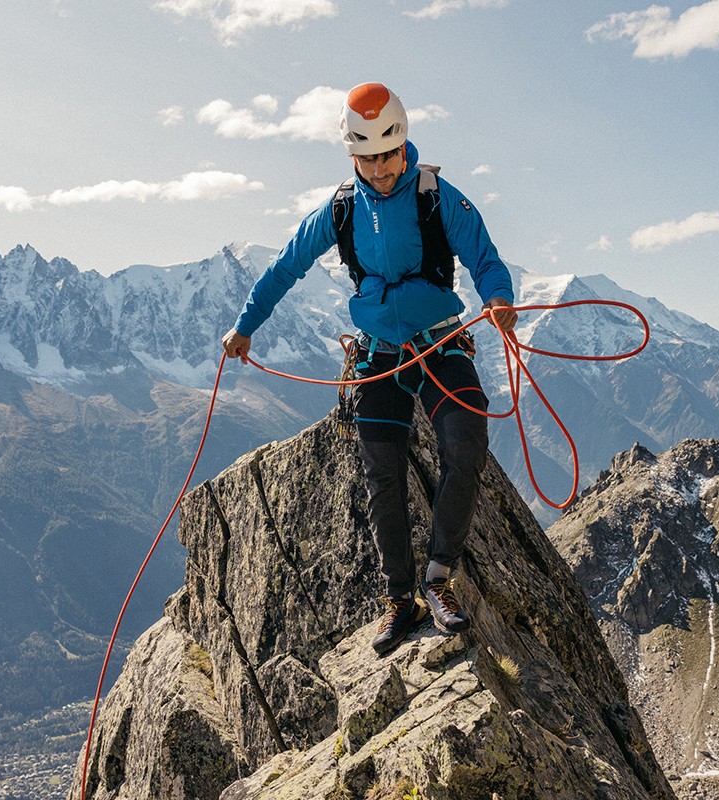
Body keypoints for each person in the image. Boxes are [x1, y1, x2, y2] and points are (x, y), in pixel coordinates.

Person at [221, 82, 517, 656]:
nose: (382, 169)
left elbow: (484, 256)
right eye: (369, 158)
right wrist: (245, 325)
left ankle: (438, 578)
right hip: (380, 351)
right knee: (382, 468)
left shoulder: (437, 197)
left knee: (466, 443)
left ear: (403, 146)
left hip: (438, 342)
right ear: (352, 156)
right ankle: (400, 597)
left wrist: (499, 297)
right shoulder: (340, 209)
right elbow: (285, 267)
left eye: (390, 155)